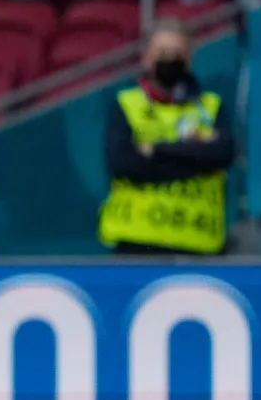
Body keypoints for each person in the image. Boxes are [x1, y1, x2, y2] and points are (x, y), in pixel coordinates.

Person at [99, 18, 236, 256]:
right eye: (162, 52)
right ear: (146, 57)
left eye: (177, 53)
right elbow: (124, 165)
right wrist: (194, 155)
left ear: (190, 59)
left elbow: (221, 155)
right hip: (136, 242)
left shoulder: (211, 106)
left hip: (199, 243)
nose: (170, 59)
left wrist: (156, 150)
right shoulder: (126, 104)